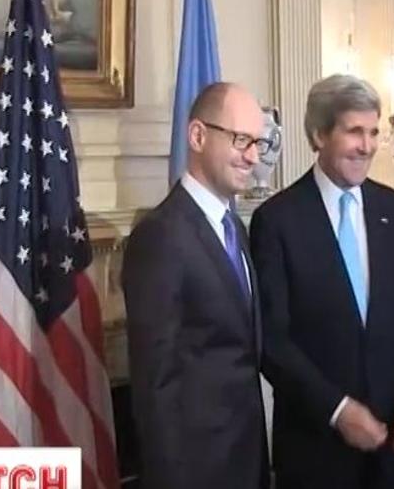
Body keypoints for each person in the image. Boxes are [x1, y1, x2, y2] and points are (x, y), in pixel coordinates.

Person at [250, 74, 394, 489]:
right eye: (354, 131)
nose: (367, 146)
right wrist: (337, 411)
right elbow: (272, 341)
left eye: (373, 132)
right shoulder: (277, 220)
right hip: (315, 446)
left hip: (390, 439)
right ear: (319, 135)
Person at [122, 82, 271, 489]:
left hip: (246, 461)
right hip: (195, 474)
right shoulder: (160, 237)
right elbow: (155, 387)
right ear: (198, 136)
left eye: (257, 142)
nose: (253, 156)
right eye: (241, 140)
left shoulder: (234, 228)